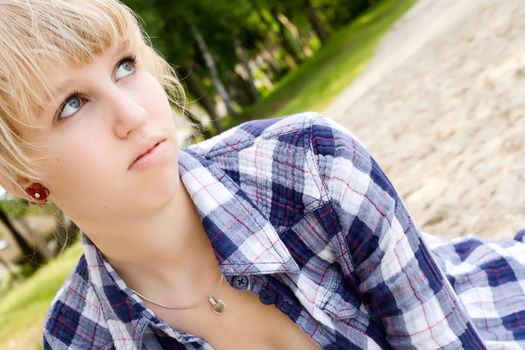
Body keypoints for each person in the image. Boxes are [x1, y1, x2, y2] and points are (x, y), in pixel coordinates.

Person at [0, 0, 524, 349]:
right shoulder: (83, 338)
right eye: (72, 104)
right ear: (25, 179)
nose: (133, 115)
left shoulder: (309, 164)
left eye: (125, 66)